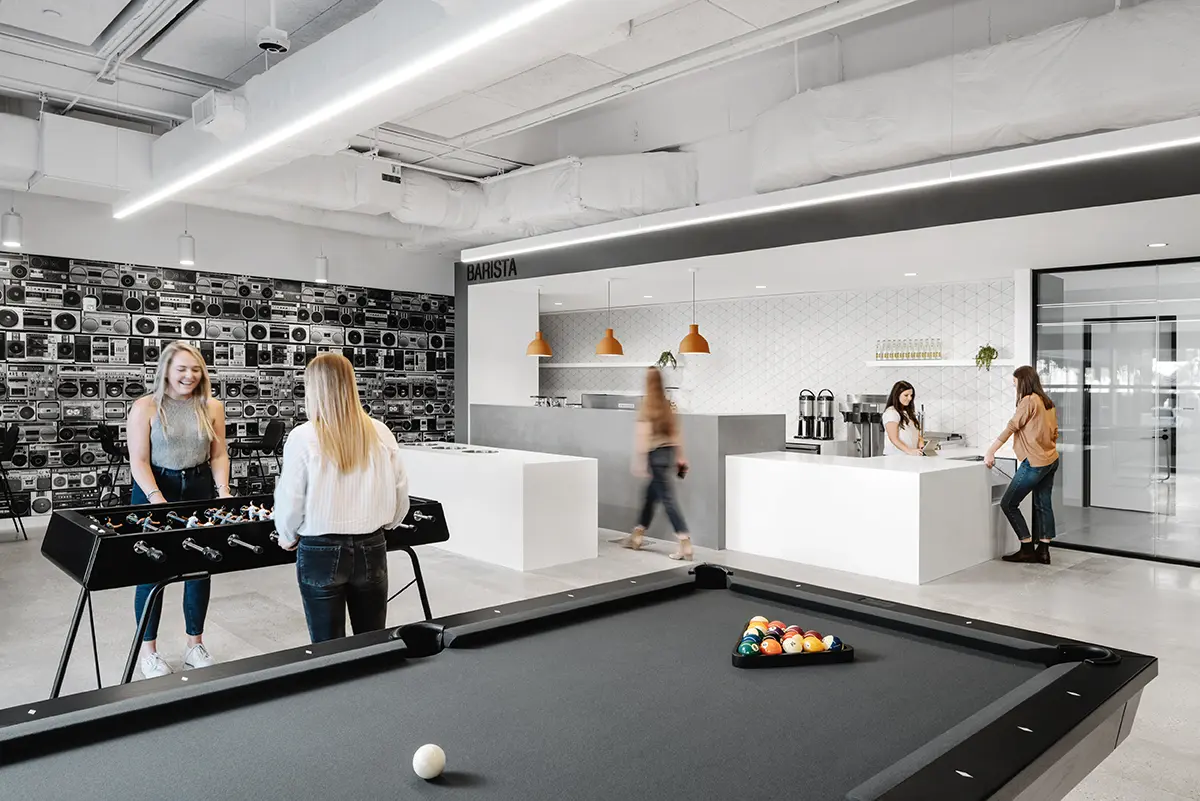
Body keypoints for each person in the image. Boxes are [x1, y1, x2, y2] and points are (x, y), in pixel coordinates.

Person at [273, 353, 410, 643]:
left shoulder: (303, 436)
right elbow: (400, 494)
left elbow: (291, 499)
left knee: (327, 647)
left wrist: (286, 535)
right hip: (372, 546)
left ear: (313, 388)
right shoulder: (381, 432)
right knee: (372, 641)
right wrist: (388, 525)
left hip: (320, 550)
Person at [127, 341, 231, 679]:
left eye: (195, 369)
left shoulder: (211, 406)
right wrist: (157, 498)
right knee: (149, 572)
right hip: (154, 487)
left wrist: (223, 491)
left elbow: (218, 455)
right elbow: (138, 460)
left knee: (199, 568)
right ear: (166, 371)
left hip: (198, 486)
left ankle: (194, 646)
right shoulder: (145, 406)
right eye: (182, 369)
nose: (189, 376)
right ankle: (149, 652)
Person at [985, 365, 1060, 565]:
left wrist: (991, 451)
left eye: (1015, 383)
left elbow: (1012, 427)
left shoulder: (1028, 400)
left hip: (1035, 462)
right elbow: (1054, 432)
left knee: (1008, 503)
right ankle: (1043, 551)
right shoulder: (1047, 402)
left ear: (1023, 382)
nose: (1014, 388)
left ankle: (1026, 547)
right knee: (1044, 504)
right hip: (1051, 460)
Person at [620, 367, 692, 561]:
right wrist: (681, 457)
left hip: (654, 456)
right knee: (650, 496)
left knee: (667, 499)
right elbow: (676, 434)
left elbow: (642, 436)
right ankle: (637, 535)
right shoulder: (668, 406)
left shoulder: (647, 406)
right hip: (668, 455)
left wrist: (640, 461)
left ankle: (684, 540)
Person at [882, 380, 925, 456]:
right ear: (897, 395)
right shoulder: (891, 413)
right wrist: (909, 451)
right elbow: (894, 439)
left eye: (911, 395)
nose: (910, 398)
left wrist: (920, 440)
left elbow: (913, 432)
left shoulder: (908, 412)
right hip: (895, 457)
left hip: (908, 457)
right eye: (906, 395)